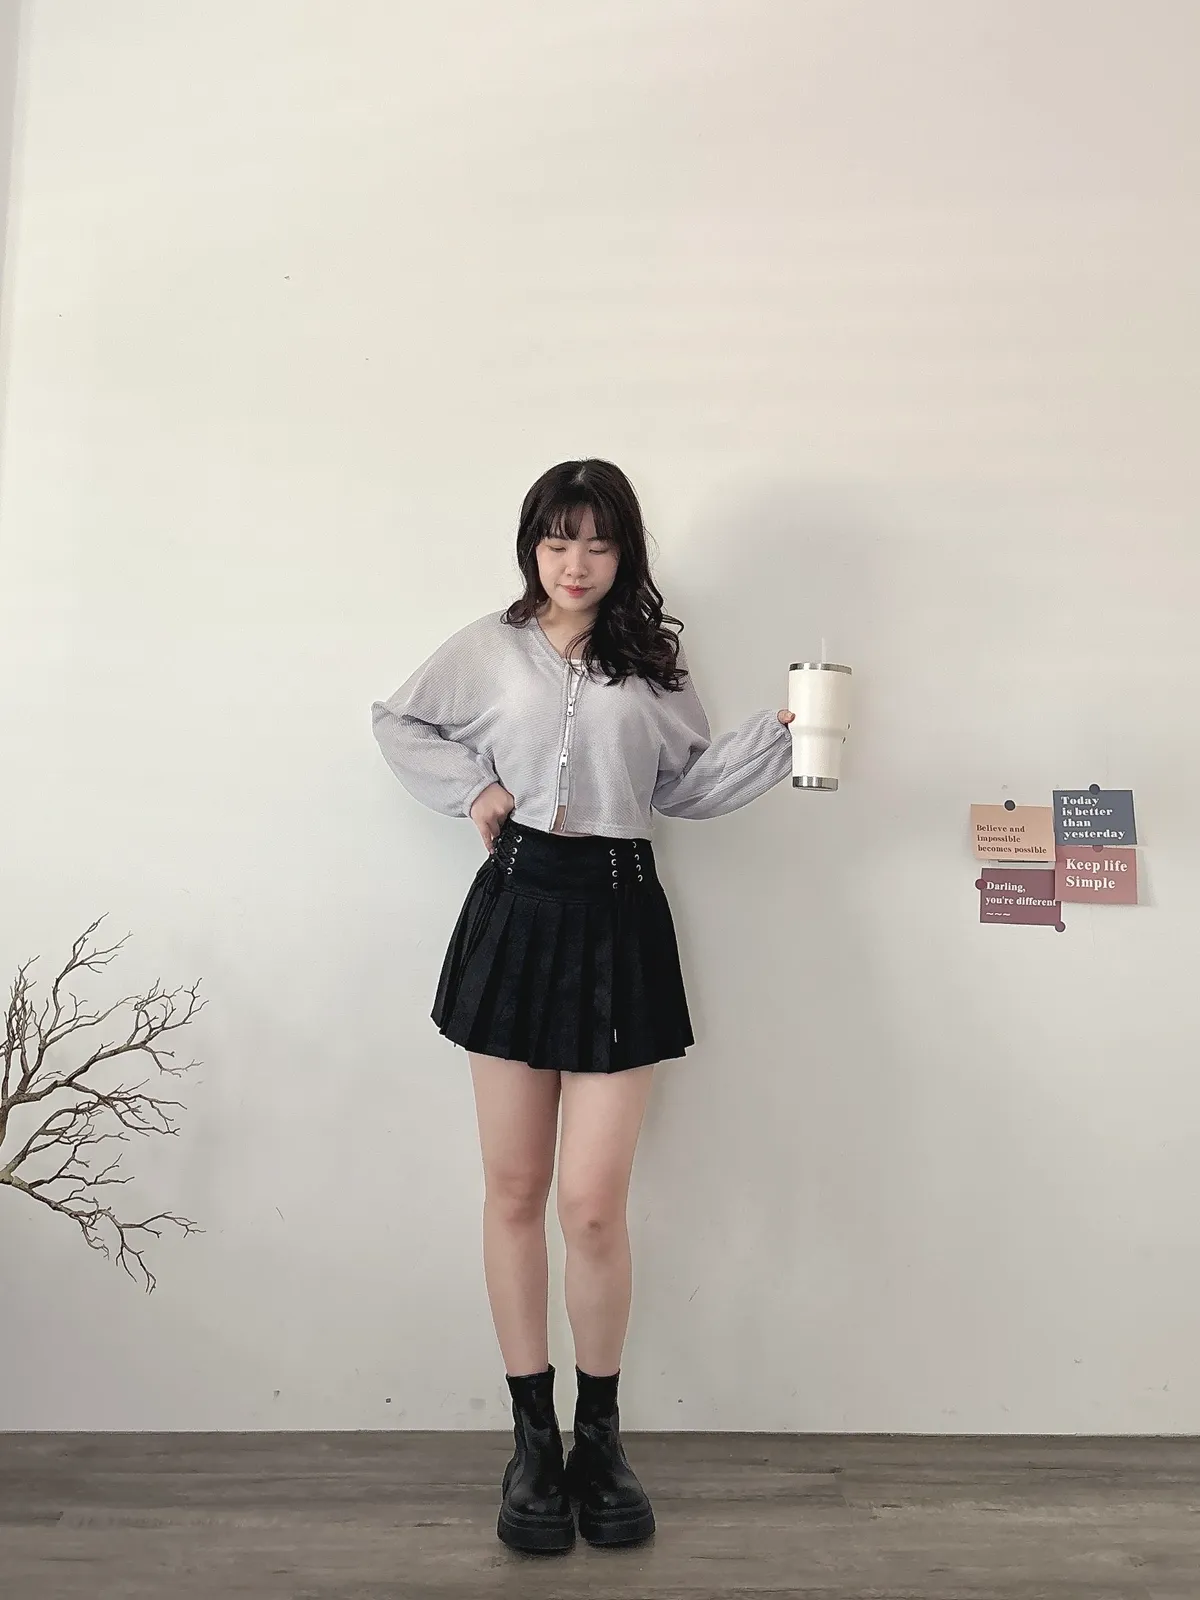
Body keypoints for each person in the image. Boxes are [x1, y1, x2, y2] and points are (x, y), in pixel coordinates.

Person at [371, 460, 795, 1554]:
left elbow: (682, 786)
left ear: (624, 554)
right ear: (532, 545)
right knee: (514, 1189)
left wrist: (784, 737)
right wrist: (475, 789)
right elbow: (400, 721)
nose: (576, 562)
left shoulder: (651, 662)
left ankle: (599, 1441)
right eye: (558, 540)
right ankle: (532, 1443)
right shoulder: (486, 648)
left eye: (598, 543)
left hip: (618, 915)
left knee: (593, 1204)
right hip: (517, 907)